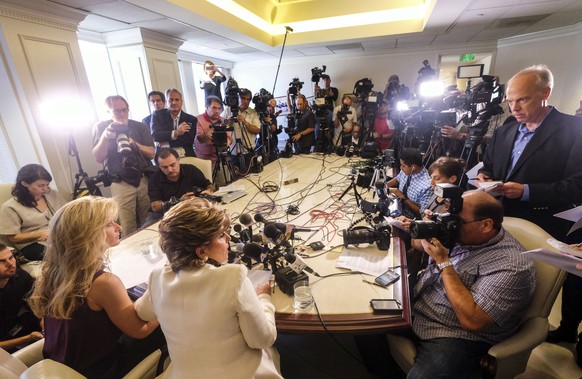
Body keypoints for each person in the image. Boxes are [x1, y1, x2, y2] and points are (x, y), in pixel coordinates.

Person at [134, 198, 283, 379]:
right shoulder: (233, 278)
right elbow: (262, 339)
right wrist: (264, 299)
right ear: (201, 251)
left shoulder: (156, 277)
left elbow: (142, 313)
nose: (229, 238)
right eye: (221, 236)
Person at [403, 190, 536, 378]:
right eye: (448, 217)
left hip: (456, 335)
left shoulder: (513, 266)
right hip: (420, 304)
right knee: (364, 327)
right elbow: (417, 244)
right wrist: (427, 227)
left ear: (486, 225)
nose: (451, 225)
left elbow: (472, 321)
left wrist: (443, 262)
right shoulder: (464, 233)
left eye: (457, 221)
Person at [28, 197, 163, 378]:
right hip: (100, 370)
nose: (119, 228)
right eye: (109, 224)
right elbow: (140, 331)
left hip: (65, 362)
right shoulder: (104, 283)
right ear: (87, 235)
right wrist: (165, 302)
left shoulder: (51, 274)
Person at [477, 64, 582, 240]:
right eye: (510, 101)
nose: (514, 108)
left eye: (522, 100)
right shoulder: (503, 132)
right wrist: (484, 177)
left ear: (545, 93)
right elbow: (488, 168)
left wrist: (527, 191)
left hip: (543, 228)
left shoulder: (575, 130)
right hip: (498, 222)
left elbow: (577, 187)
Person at [92, 95, 155, 236]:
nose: (121, 114)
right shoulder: (101, 127)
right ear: (108, 112)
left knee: (149, 220)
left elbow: (151, 153)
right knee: (127, 224)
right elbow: (98, 157)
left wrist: (134, 143)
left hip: (142, 178)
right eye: (116, 111)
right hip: (120, 181)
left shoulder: (139, 126)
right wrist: (105, 137)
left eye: (124, 110)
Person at [0, 164, 66, 261]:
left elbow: (66, 212)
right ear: (25, 184)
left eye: (47, 184)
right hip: (33, 244)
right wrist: (39, 234)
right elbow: (13, 238)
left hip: (59, 235)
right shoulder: (10, 207)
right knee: (66, 254)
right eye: (40, 186)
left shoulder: (52, 194)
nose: (45, 189)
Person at [396, 156, 465, 231]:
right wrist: (411, 222)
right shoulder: (436, 194)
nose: (431, 183)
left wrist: (414, 226)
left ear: (452, 179)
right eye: (430, 178)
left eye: (436, 178)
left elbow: (440, 233)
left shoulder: (454, 204)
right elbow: (427, 221)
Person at [147, 147, 214, 222]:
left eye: (172, 165)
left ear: (178, 160)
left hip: (193, 209)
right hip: (167, 214)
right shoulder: (154, 179)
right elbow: (155, 206)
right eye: (164, 167)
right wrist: (179, 201)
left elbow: (209, 185)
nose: (170, 170)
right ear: (159, 166)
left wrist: (208, 191)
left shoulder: (190, 170)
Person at [0, 244, 43, 352]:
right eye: (2, 261)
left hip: (15, 326)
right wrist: (27, 338)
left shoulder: (19, 276)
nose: (10, 264)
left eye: (11, 257)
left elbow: (36, 302)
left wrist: (43, 319)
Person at [195, 95, 232, 185]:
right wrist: (207, 135)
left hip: (221, 159)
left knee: (225, 187)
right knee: (208, 188)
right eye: (214, 108)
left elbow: (230, 137)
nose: (217, 111)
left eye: (219, 108)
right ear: (206, 107)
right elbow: (198, 138)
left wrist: (228, 141)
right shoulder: (198, 120)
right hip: (205, 161)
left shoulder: (223, 120)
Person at [386, 148, 433, 219]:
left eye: (403, 166)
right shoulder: (407, 170)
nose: (401, 168)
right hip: (398, 206)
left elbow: (422, 213)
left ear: (413, 167)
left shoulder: (427, 186)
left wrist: (402, 196)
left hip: (412, 218)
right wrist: (385, 186)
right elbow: (398, 179)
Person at [151, 88, 198, 158]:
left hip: (186, 155)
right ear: (166, 102)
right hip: (165, 156)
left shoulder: (191, 119)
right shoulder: (157, 115)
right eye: (171, 100)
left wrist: (165, 143)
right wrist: (176, 133)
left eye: (177, 100)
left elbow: (188, 141)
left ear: (181, 102)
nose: (174, 102)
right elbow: (155, 135)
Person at [230, 88, 260, 170]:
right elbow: (221, 125)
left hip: (248, 151)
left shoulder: (253, 112)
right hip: (233, 151)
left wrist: (245, 122)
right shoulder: (228, 110)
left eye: (248, 99)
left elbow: (257, 130)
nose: (245, 101)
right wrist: (229, 122)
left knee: (251, 175)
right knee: (236, 178)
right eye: (243, 98)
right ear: (238, 98)